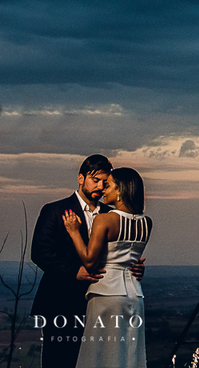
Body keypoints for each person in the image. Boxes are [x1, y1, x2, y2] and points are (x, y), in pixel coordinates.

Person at [30, 155, 142, 368]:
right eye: (95, 180)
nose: (100, 186)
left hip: (102, 301)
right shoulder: (54, 210)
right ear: (80, 178)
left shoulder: (113, 214)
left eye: (105, 182)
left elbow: (120, 253)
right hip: (61, 301)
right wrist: (74, 272)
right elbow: (40, 252)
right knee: (59, 361)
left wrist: (133, 266)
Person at [62, 167, 152, 368]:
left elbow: (90, 261)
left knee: (98, 355)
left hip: (106, 294)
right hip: (135, 295)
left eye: (108, 185)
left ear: (120, 190)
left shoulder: (105, 219)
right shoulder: (147, 223)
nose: (103, 189)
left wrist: (74, 232)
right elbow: (130, 257)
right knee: (128, 353)